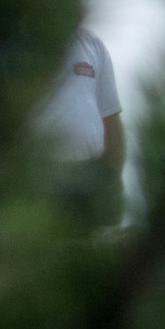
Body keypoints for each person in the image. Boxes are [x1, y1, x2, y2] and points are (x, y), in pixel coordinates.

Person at [33, 25, 126, 226]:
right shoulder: (18, 40)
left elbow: (110, 118)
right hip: (35, 175)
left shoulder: (93, 45)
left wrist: (113, 181)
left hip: (87, 175)